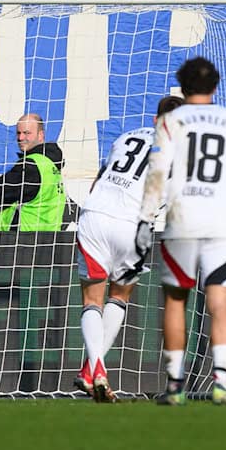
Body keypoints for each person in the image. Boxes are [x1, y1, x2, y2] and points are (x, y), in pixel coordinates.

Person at [136, 57, 226, 406]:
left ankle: (174, 385)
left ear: (182, 87)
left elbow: (157, 173)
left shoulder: (171, 121)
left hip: (182, 218)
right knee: (221, 303)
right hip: (223, 222)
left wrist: (144, 219)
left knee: (175, 300)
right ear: (216, 85)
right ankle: (222, 383)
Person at [73, 95, 184, 403]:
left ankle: (93, 370)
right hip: (134, 225)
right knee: (119, 296)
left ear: (154, 120)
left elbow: (99, 179)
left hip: (95, 215)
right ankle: (92, 371)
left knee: (91, 300)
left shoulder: (127, 136)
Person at [0, 113, 67, 231]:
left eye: (27, 133)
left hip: (21, 239)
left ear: (41, 135)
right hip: (47, 237)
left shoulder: (31, 165)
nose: (20, 138)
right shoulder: (51, 165)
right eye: (19, 133)